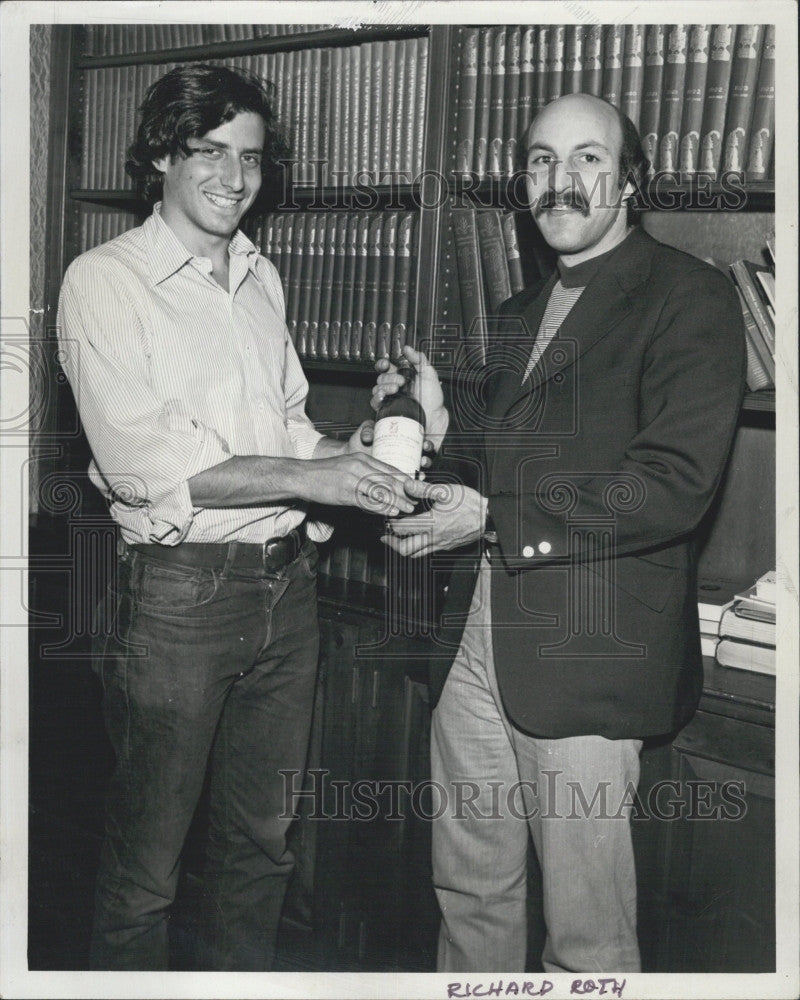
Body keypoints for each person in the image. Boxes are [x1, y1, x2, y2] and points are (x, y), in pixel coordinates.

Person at [56, 63, 430, 971]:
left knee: (259, 853)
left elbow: (289, 432)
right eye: (209, 152)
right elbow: (154, 469)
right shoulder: (103, 283)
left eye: (252, 159)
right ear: (159, 156)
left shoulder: (263, 280)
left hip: (286, 596)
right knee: (147, 871)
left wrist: (367, 443)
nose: (234, 178)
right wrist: (318, 481)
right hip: (180, 601)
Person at [375, 92, 746, 972]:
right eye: (542, 160)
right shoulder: (514, 314)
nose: (561, 180)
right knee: (470, 896)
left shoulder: (690, 298)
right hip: (475, 643)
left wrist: (495, 517)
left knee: (587, 939)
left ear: (633, 179)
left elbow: (671, 486)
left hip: (590, 661)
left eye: (587, 158)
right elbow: (480, 472)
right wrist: (432, 432)